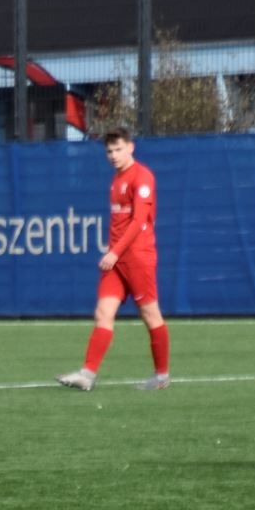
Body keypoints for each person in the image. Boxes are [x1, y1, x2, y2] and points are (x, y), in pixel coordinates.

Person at [57, 126, 169, 391]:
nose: (114, 155)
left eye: (118, 149)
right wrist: (115, 253)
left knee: (150, 314)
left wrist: (114, 252)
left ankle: (162, 376)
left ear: (131, 147)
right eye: (109, 151)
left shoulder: (142, 177)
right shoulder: (116, 180)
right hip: (116, 260)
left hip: (137, 257)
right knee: (103, 313)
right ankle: (87, 375)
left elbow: (138, 221)